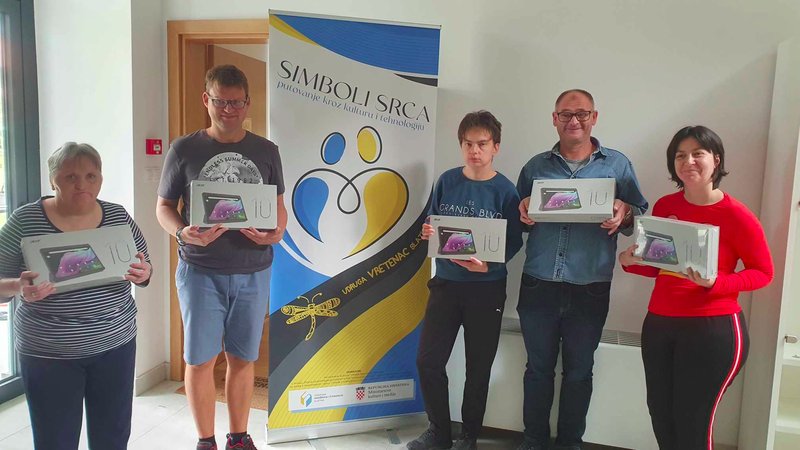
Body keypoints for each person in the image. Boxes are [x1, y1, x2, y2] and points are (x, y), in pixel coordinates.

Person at [156, 64, 287, 450]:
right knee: (199, 360)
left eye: (236, 103)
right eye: (220, 102)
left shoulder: (266, 151)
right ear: (206, 100)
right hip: (201, 270)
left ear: (248, 103)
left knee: (243, 358)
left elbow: (278, 205)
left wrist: (278, 231)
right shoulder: (184, 149)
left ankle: (238, 437)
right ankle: (205, 441)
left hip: (253, 269)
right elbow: (163, 207)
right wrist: (181, 231)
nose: (228, 110)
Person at [618, 125, 773, 450]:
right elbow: (660, 266)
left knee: (693, 425)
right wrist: (630, 261)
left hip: (712, 329)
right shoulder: (665, 206)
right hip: (659, 324)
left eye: (697, 153)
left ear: (716, 160)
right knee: (662, 417)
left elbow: (763, 273)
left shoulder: (737, 215)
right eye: (680, 155)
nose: (688, 161)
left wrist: (717, 282)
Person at [515, 89, 648, 450]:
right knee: (537, 370)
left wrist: (625, 211)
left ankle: (570, 443)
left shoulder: (617, 165)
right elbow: (518, 217)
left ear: (594, 117)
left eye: (582, 114)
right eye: (565, 114)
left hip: (590, 286)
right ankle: (533, 441)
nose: (574, 121)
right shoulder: (535, 167)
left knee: (579, 372)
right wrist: (522, 209)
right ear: (554, 118)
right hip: (539, 283)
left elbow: (640, 216)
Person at [0, 142, 152, 450]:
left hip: (116, 346)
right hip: (49, 354)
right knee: (55, 441)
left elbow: (145, 266)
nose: (82, 184)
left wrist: (145, 273)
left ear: (101, 179)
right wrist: (18, 286)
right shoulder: (25, 220)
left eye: (90, 176)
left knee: (112, 438)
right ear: (53, 180)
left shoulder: (117, 216)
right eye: (70, 177)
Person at [407, 110, 523, 450]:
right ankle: (439, 432)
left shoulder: (506, 191)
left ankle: (469, 435)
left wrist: (488, 266)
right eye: (468, 144)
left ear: (495, 147)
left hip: (487, 290)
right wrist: (427, 232)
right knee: (428, 361)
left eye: (482, 144)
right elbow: (434, 225)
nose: (474, 150)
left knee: (478, 367)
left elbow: (514, 241)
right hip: (446, 284)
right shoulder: (446, 181)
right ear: (461, 145)